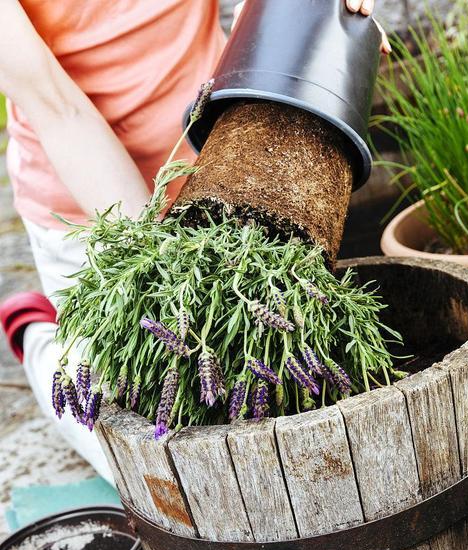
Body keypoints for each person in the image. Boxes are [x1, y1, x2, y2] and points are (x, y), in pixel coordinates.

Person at [0, 0, 389, 485]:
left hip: (221, 156)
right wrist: (160, 262)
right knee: (153, 469)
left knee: (276, 413)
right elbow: (55, 104)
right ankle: (39, 338)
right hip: (90, 210)